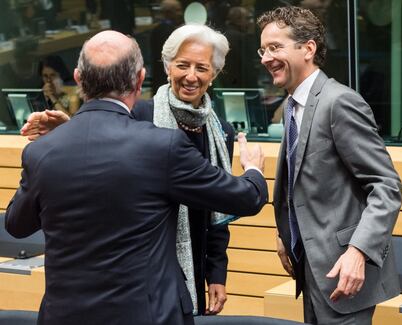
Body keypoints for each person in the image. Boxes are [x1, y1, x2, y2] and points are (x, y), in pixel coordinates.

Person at [6, 30, 268, 325]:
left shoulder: (44, 151)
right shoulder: (162, 144)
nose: (191, 76)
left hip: (66, 314)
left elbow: (16, 224)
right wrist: (253, 169)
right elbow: (246, 197)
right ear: (140, 79)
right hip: (147, 313)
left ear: (78, 78)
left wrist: (54, 149)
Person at [257, 6, 401, 324]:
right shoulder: (292, 106)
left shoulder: (339, 102)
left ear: (308, 48)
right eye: (263, 49)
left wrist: (358, 252)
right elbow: (303, 184)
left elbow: (386, 186)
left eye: (275, 47)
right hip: (311, 270)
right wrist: (286, 236)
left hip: (346, 275)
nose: (265, 58)